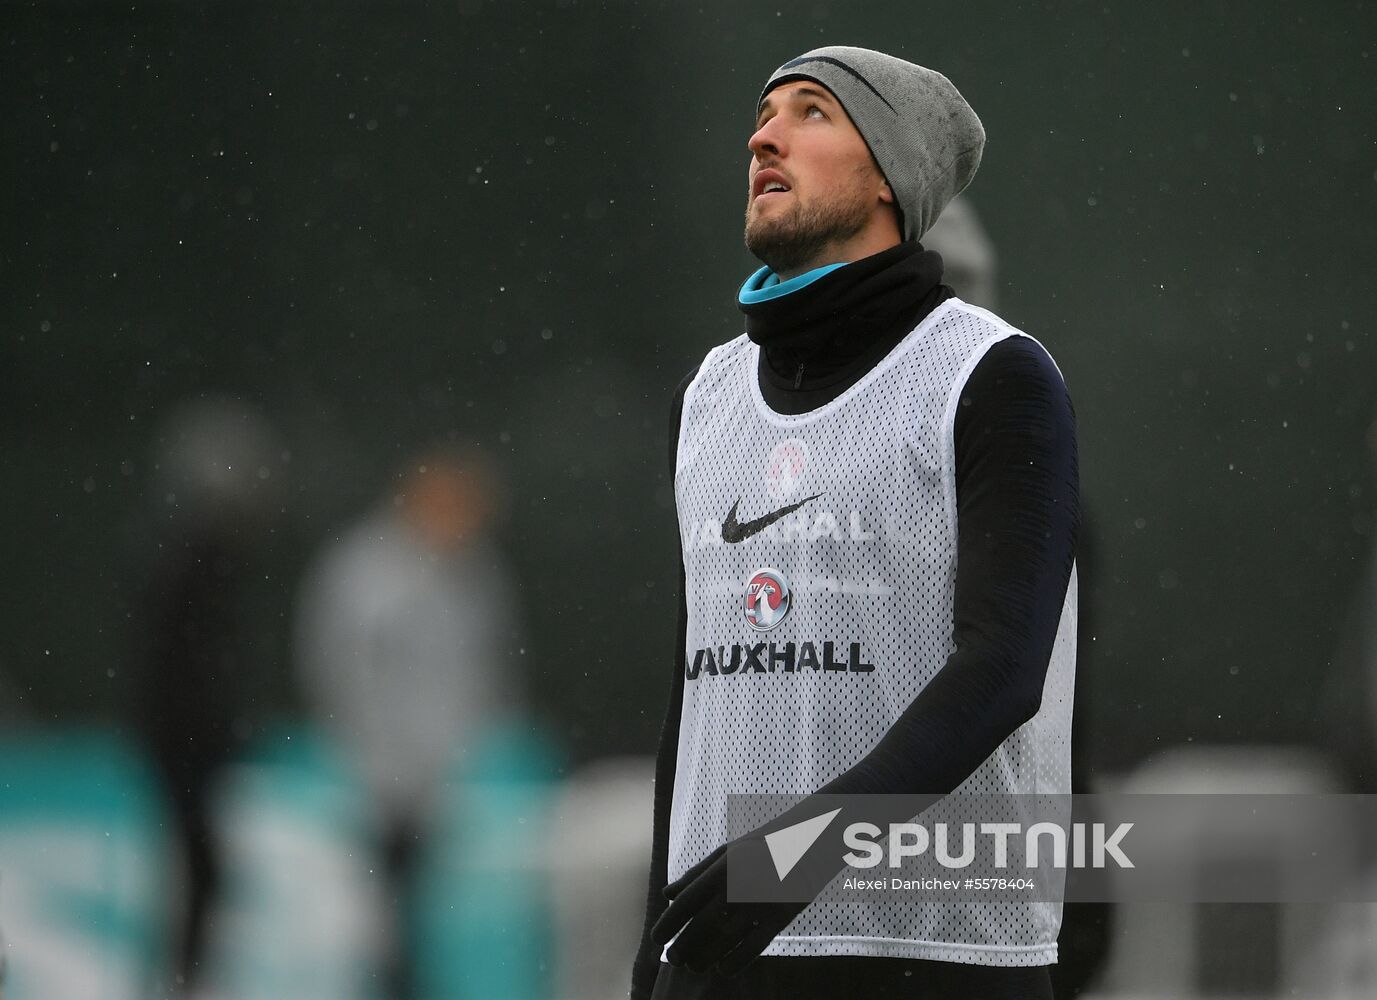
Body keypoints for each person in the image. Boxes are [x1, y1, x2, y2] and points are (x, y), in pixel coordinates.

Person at [630, 46, 1080, 1000]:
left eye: (811, 112)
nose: (763, 135)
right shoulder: (706, 398)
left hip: (937, 954)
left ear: (890, 171)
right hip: (724, 956)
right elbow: (693, 701)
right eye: (762, 114)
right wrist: (654, 953)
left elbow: (1001, 675)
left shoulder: (991, 375)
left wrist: (789, 861)